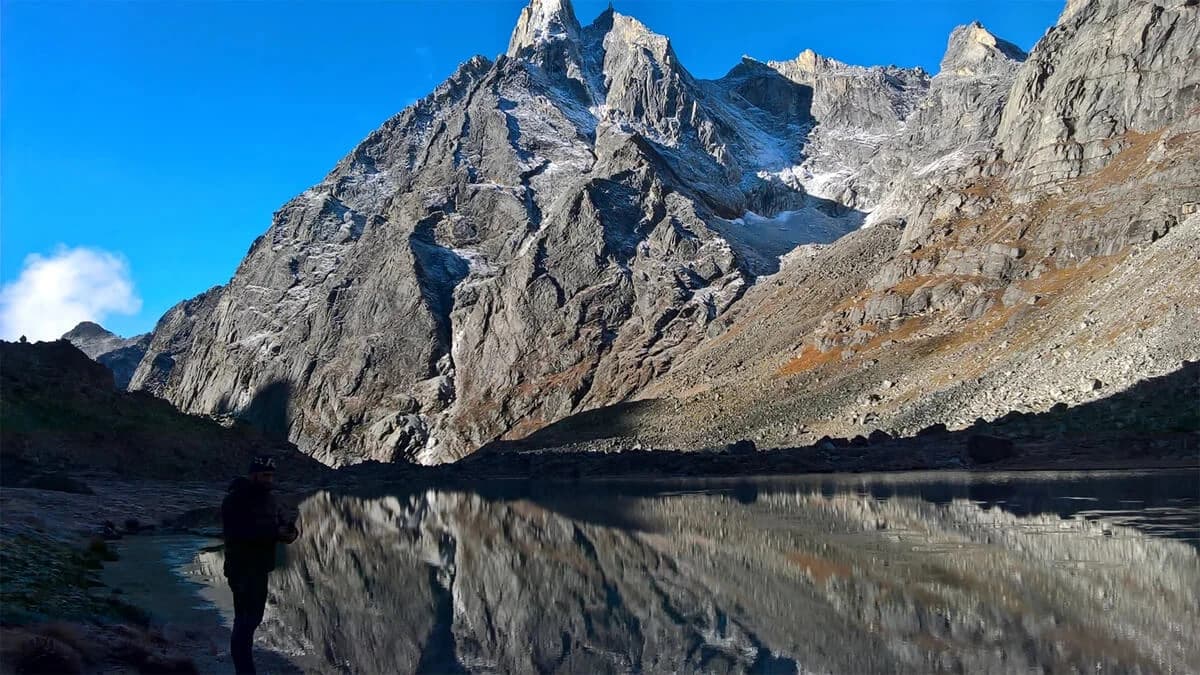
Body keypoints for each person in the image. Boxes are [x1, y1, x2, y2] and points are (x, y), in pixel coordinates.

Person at [221, 455, 300, 674]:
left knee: (250, 620)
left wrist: (290, 532)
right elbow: (238, 532)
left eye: (271, 476)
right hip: (242, 568)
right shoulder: (235, 500)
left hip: (259, 568)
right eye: (265, 475)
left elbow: (283, 523)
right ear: (253, 475)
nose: (269, 480)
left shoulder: (269, 500)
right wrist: (275, 533)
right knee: (246, 621)